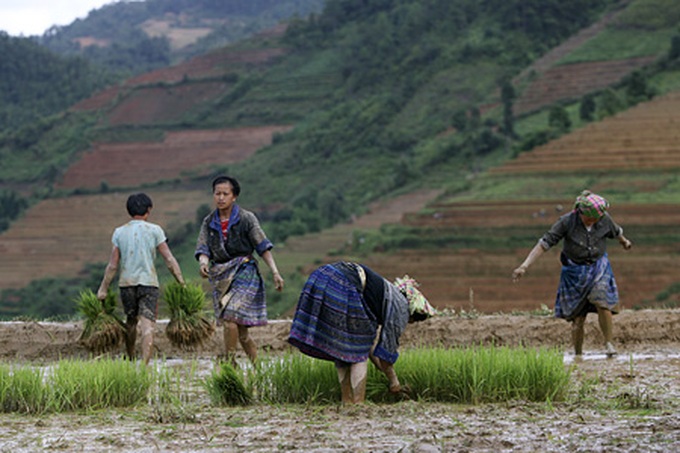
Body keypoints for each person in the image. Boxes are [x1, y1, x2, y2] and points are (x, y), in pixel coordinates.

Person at [288, 262, 436, 404]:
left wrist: (382, 369)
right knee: (357, 357)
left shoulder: (383, 297)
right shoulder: (401, 308)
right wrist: (394, 382)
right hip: (344, 282)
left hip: (321, 276)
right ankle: (359, 404)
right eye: (413, 321)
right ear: (413, 314)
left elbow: (368, 346)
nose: (409, 323)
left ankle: (346, 401)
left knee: (345, 350)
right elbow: (386, 354)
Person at [512, 190, 633, 357]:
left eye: (597, 218)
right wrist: (524, 266)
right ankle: (578, 354)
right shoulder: (567, 222)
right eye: (592, 218)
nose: (595, 220)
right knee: (578, 317)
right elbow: (544, 244)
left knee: (603, 303)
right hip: (574, 272)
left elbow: (617, 232)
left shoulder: (604, 219)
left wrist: (625, 242)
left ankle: (609, 344)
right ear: (583, 213)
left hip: (599, 267)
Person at [195, 175, 284, 366]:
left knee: (230, 317)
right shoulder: (209, 221)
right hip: (221, 275)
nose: (220, 198)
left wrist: (275, 272)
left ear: (234, 196)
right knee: (241, 332)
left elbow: (262, 247)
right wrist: (203, 263)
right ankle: (259, 368)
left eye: (225, 194)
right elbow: (203, 248)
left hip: (245, 271)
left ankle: (228, 361)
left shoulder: (246, 218)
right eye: (217, 194)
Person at [97, 193, 186, 365]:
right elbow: (169, 259)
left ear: (129, 210)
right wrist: (180, 281)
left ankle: (130, 358)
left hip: (127, 284)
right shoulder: (155, 230)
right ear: (149, 210)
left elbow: (113, 265)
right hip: (149, 284)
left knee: (130, 321)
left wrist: (103, 288)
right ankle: (144, 366)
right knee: (147, 326)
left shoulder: (119, 232)